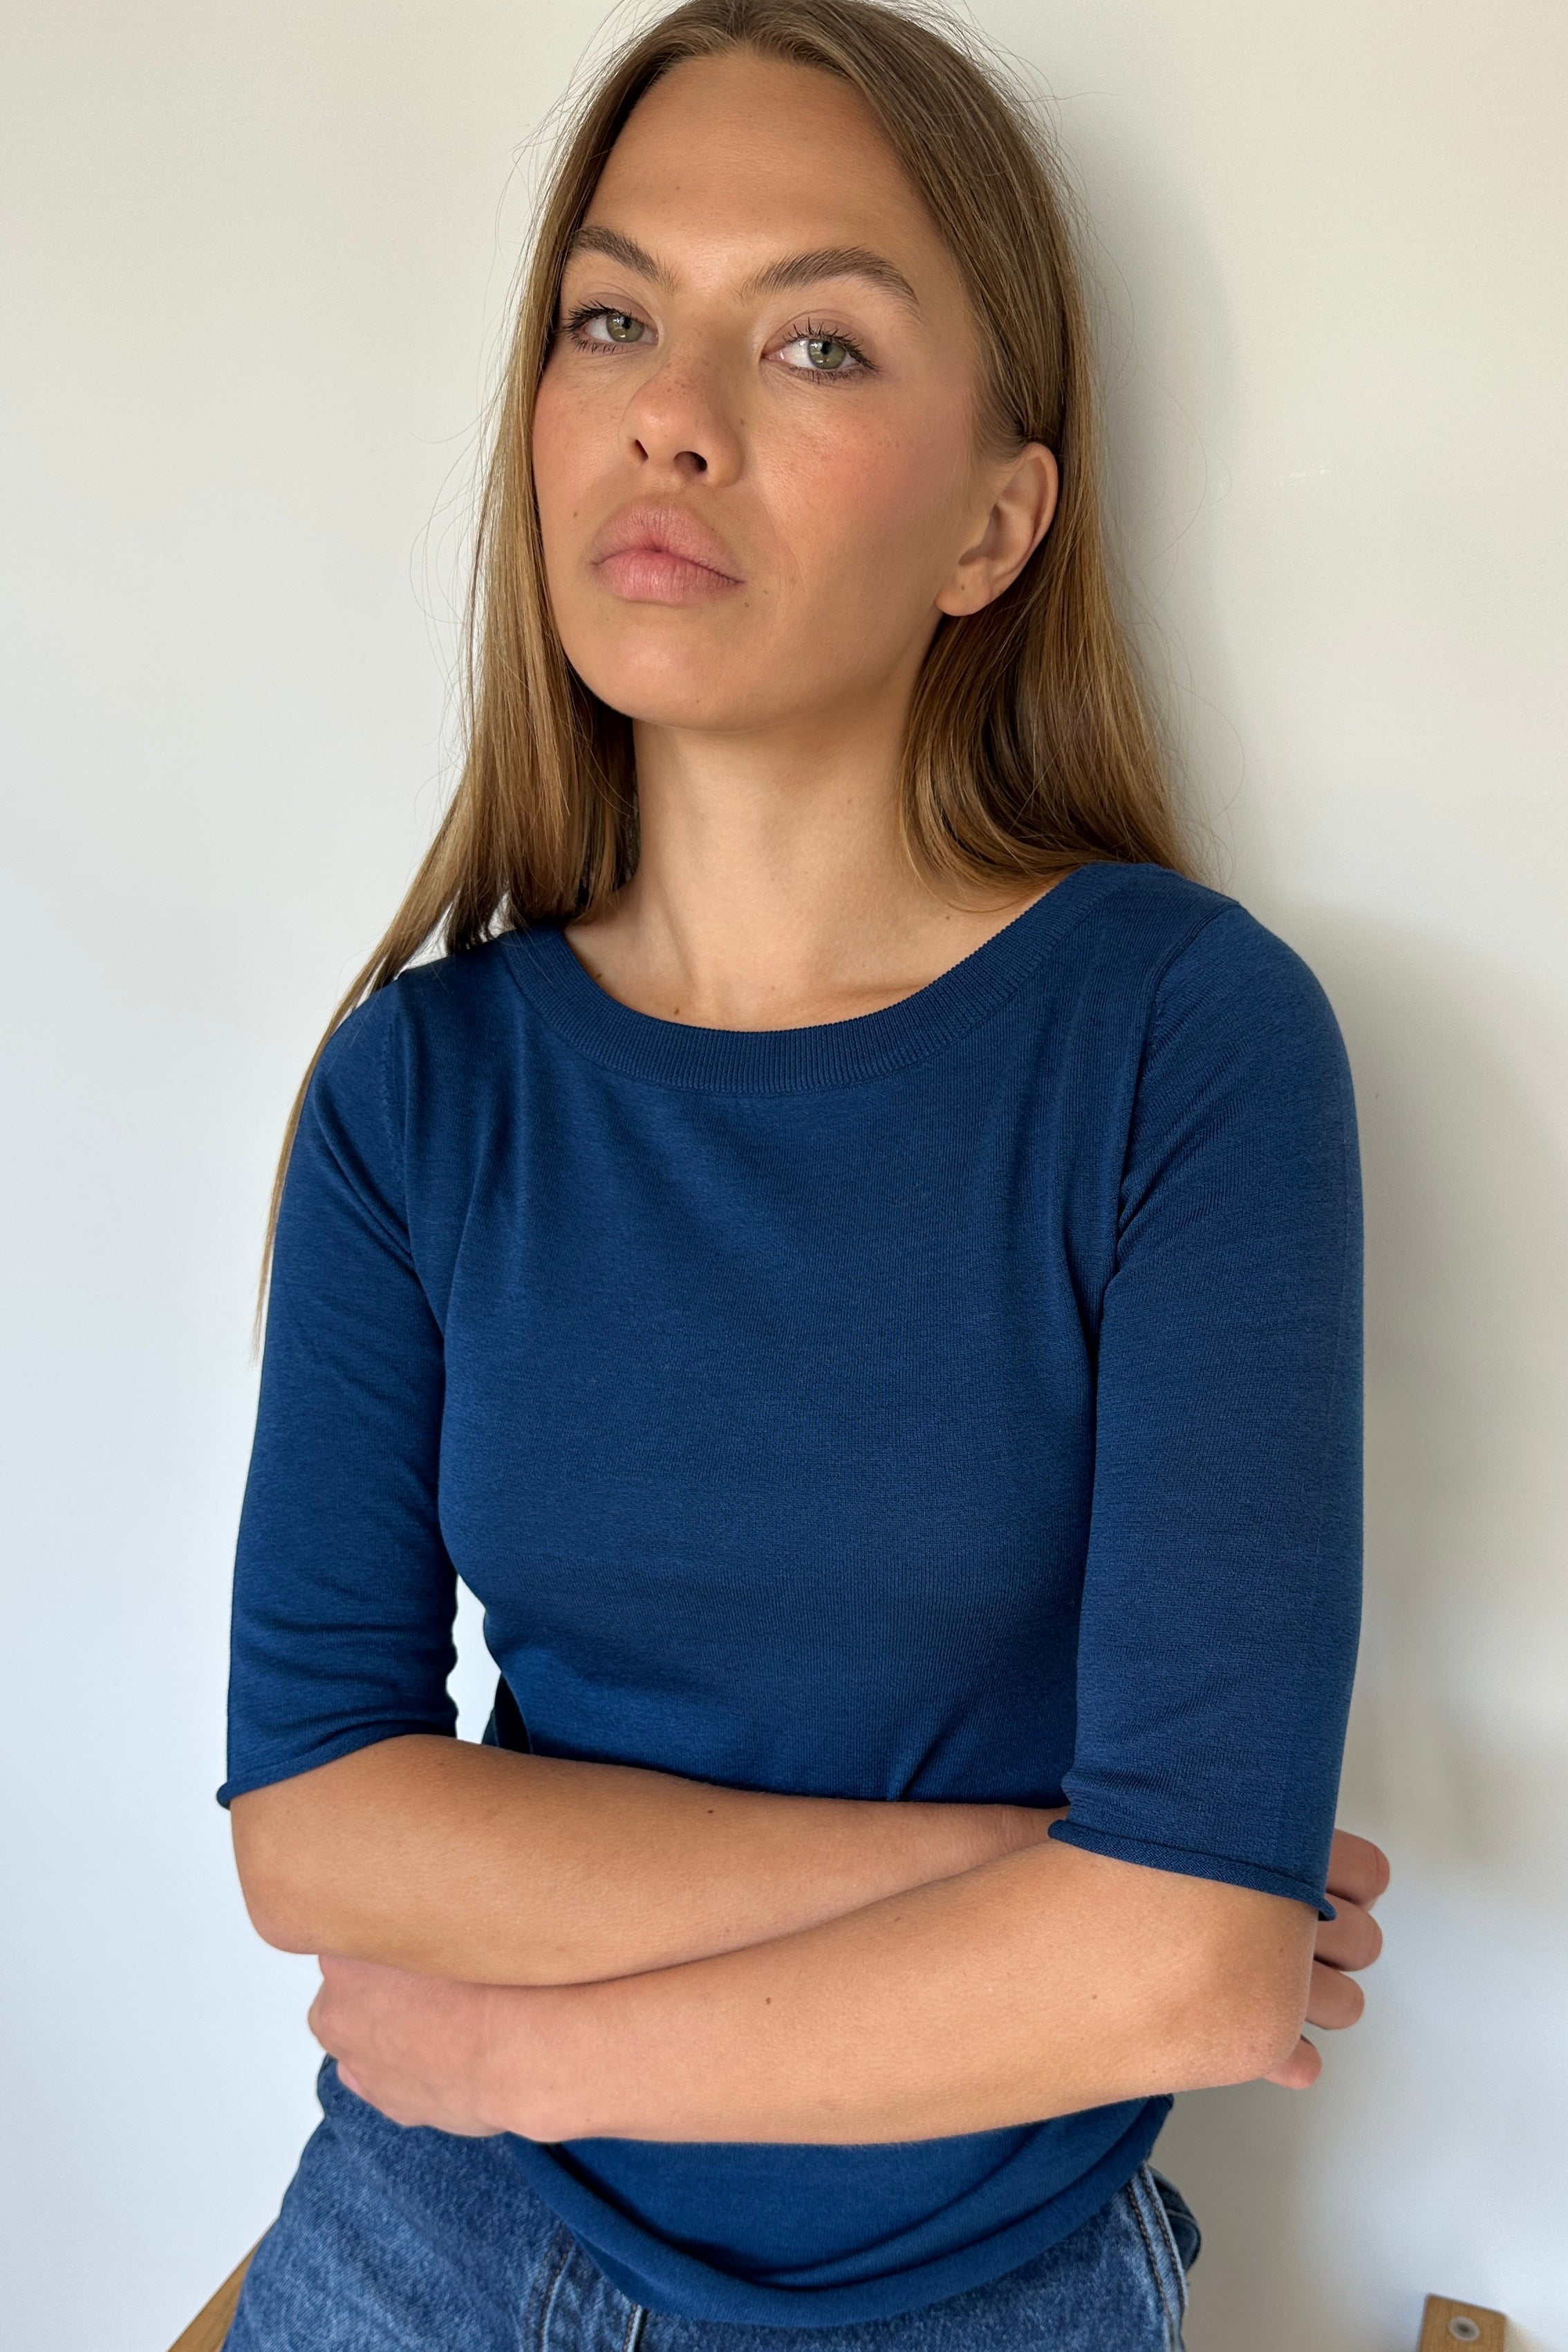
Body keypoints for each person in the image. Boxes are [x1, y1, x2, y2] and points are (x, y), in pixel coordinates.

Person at [218, 3, 1388, 2346]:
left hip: (965, 2282)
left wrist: (514, 2045)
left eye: (817, 341)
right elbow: (319, 1826)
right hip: (418, 2242)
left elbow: (1183, 1968)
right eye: (611, 318)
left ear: (992, 524)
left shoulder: (1179, 1040)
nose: (670, 412)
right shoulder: (419, 1089)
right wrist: (1028, 1873)